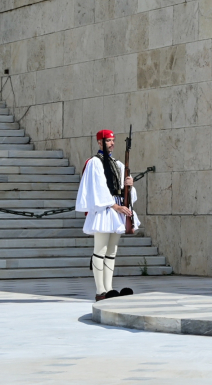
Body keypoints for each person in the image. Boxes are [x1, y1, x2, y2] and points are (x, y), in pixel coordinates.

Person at [75, 129, 140, 301]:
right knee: (100, 250)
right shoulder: (94, 163)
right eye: (108, 140)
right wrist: (114, 206)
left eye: (113, 140)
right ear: (99, 142)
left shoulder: (118, 164)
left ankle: (109, 289)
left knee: (112, 251)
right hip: (105, 209)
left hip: (117, 209)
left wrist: (130, 185)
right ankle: (100, 291)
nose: (112, 143)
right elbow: (98, 188)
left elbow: (127, 192)